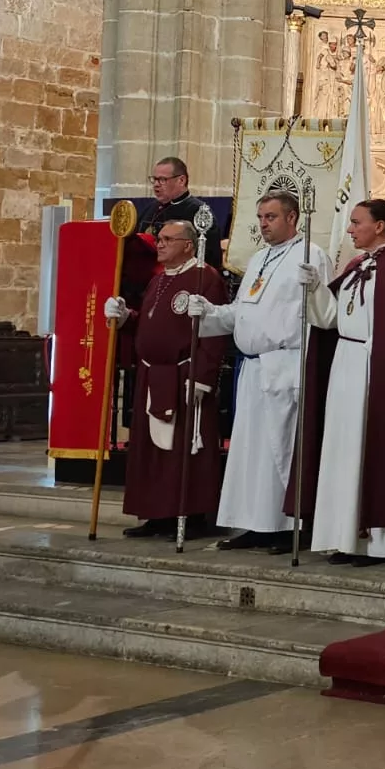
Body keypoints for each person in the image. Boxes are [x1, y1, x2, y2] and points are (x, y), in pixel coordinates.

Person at [290, 199, 385, 564]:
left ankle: (384, 542)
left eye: (356, 222)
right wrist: (314, 289)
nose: (349, 229)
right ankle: (346, 537)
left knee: (376, 449)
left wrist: (383, 368)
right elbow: (329, 319)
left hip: (376, 369)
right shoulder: (358, 264)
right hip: (346, 364)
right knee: (345, 451)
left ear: (379, 226)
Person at [187, 190, 331, 551]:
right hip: (252, 368)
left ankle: (289, 525)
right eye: (261, 218)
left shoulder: (311, 255)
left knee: (281, 449)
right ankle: (255, 522)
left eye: (271, 217)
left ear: (292, 218)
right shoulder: (260, 259)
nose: (263, 224)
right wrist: (209, 312)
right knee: (251, 452)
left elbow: (323, 312)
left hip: (285, 365)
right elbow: (242, 311)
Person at [103, 220, 229, 538]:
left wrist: (202, 376)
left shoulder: (205, 278)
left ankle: (191, 515)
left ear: (188, 244)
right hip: (151, 374)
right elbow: (149, 324)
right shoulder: (157, 281)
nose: (159, 244)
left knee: (184, 451)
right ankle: (156, 513)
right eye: (158, 239)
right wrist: (125, 317)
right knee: (152, 450)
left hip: (184, 376)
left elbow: (214, 330)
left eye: (167, 239)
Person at [140, 157, 222, 269]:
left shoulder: (199, 212)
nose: (156, 184)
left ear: (181, 180)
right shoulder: (150, 208)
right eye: (154, 179)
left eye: (162, 179)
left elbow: (209, 257)